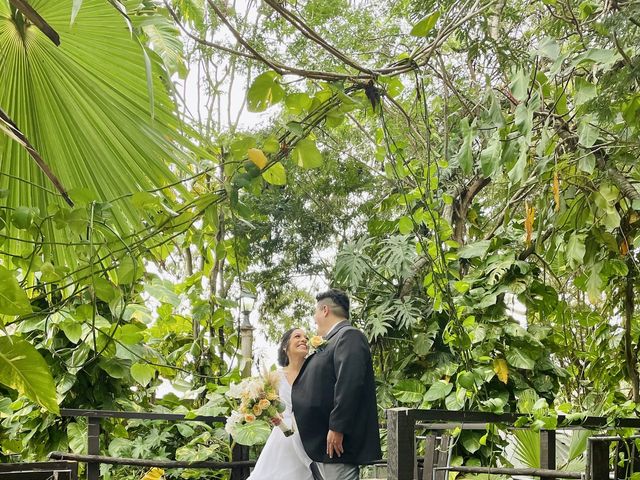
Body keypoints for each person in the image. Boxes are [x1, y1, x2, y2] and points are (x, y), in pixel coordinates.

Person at [292, 289, 382, 480]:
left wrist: (337, 427)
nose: (315, 319)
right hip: (324, 446)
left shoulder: (349, 336)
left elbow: (349, 383)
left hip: (337, 445)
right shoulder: (333, 340)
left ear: (325, 310)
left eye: (316, 312)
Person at [247, 327, 314, 480]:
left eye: (306, 337)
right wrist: (273, 415)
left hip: (310, 435)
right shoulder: (275, 377)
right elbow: (271, 405)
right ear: (285, 347)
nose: (304, 339)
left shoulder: (315, 373)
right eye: (297, 336)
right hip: (284, 436)